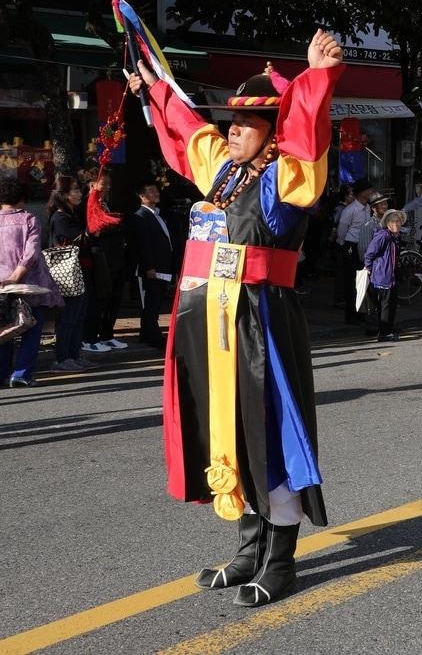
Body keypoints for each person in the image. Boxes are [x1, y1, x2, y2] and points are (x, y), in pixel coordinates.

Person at [126, 31, 342, 607]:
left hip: (260, 325)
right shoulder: (225, 172)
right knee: (225, 431)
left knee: (266, 433)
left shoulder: (284, 182)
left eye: (247, 124)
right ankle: (248, 547)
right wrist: (153, 90)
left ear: (274, 132)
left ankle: (281, 560)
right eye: (233, 122)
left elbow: (306, 139)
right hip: (209, 325)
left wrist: (313, 79)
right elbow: (188, 131)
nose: (232, 130)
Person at [1, 178, 64, 386]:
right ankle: (21, 374)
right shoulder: (29, 219)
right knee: (31, 327)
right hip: (30, 285)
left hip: (2, 286)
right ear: (22, 198)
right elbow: (31, 254)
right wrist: (16, 276)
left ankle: (2, 372)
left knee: (5, 329)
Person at [47, 177, 91, 371]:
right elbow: (80, 239)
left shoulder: (73, 213)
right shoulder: (60, 217)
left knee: (79, 315)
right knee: (69, 316)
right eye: (75, 190)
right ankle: (62, 358)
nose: (79, 194)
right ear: (63, 195)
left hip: (81, 270)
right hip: (69, 274)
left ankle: (74, 354)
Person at [82, 170, 129, 352]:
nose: (107, 188)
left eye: (109, 184)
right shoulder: (88, 205)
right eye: (104, 184)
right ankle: (89, 338)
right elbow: (94, 231)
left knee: (114, 298)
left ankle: (107, 334)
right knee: (99, 299)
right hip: (100, 258)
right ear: (92, 185)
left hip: (115, 256)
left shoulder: (106, 204)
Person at [128, 180, 176, 347]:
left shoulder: (158, 214)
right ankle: (152, 336)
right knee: (151, 302)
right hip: (152, 267)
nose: (156, 194)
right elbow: (143, 244)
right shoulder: (140, 216)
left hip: (163, 265)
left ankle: (147, 333)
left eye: (156, 190)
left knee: (157, 300)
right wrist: (149, 267)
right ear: (142, 196)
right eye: (151, 191)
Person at [363, 209, 404, 342]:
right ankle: (384, 332)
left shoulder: (394, 236)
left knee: (391, 304)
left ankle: (388, 330)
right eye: (393, 221)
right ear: (387, 223)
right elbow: (370, 253)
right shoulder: (383, 236)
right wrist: (369, 268)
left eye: (398, 221)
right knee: (385, 305)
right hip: (382, 276)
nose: (396, 224)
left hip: (390, 276)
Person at [335, 178, 372, 324]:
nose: (370, 192)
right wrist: (344, 244)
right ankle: (351, 315)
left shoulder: (368, 208)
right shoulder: (350, 210)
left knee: (363, 280)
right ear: (361, 192)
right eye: (368, 190)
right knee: (351, 282)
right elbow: (342, 231)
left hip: (365, 246)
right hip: (351, 245)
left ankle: (361, 312)